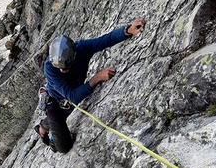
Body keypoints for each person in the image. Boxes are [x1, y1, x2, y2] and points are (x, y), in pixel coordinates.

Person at [35, 18, 146, 153]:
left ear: (74, 55)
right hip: (54, 99)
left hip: (68, 96)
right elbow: (73, 97)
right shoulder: (50, 68)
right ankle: (42, 128)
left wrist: (128, 31)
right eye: (60, 68)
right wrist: (97, 78)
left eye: (65, 68)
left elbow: (105, 40)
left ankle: (46, 125)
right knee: (62, 147)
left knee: (65, 111)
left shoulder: (82, 48)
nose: (62, 71)